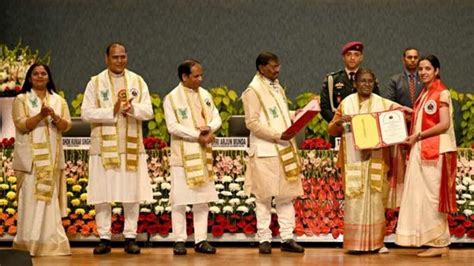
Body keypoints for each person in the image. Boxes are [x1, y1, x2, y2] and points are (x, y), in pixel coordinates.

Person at [81, 43, 153, 255]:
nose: (120, 60)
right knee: (102, 193)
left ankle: (130, 237)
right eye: (115, 57)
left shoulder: (137, 81)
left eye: (123, 56)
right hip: (103, 147)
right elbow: (85, 113)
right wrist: (111, 111)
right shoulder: (95, 82)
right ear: (106, 59)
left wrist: (132, 109)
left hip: (130, 147)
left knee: (131, 193)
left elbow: (148, 111)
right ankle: (104, 237)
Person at [328, 68, 409, 254]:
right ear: (355, 84)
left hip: (376, 157)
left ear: (374, 83)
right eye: (362, 81)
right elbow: (331, 129)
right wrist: (339, 123)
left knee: (376, 200)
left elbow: (401, 114)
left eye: (369, 81)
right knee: (354, 199)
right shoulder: (346, 104)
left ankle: (377, 243)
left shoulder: (382, 103)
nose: (366, 84)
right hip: (353, 160)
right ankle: (354, 244)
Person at [242, 52, 305, 254]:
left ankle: (287, 238)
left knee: (286, 196)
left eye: (278, 65)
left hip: (283, 148)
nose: (277, 69)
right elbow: (252, 123)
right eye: (273, 66)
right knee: (263, 197)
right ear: (261, 68)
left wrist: (298, 114)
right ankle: (264, 239)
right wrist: (277, 135)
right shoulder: (253, 90)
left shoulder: (276, 87)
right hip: (265, 150)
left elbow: (279, 115)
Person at [395, 55, 457, 257]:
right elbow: (424, 119)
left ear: (436, 71)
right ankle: (431, 240)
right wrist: (409, 112)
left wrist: (418, 136)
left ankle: (440, 243)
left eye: (427, 69)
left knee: (432, 197)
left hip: (435, 151)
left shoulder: (441, 92)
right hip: (423, 150)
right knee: (422, 196)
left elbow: (444, 123)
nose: (423, 72)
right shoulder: (426, 93)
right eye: (420, 69)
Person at [12, 63, 72, 256]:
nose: (39, 76)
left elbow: (66, 126)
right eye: (35, 74)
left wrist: (53, 116)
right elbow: (21, 125)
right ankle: (28, 242)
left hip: (52, 159)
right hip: (31, 162)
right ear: (29, 78)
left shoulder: (58, 100)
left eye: (43, 73)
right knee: (30, 198)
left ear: (48, 77)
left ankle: (50, 242)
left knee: (49, 199)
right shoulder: (21, 100)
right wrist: (40, 115)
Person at [163, 59, 221, 255]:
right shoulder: (171, 98)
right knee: (179, 200)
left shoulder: (205, 95)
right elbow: (173, 127)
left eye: (201, 75)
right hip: (182, 157)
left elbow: (216, 118)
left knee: (201, 200)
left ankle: (201, 240)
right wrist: (198, 135)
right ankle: (179, 240)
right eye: (196, 76)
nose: (200, 79)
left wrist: (210, 128)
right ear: (184, 77)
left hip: (202, 155)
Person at [320, 41, 380, 124]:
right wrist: (337, 123)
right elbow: (324, 107)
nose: (352, 58)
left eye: (356, 55)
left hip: (364, 126)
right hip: (339, 129)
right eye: (348, 54)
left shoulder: (369, 79)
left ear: (361, 57)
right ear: (343, 57)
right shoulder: (332, 79)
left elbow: (377, 103)